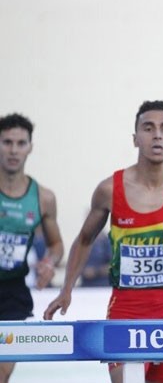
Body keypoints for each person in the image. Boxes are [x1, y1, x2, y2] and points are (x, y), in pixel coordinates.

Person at [44, 100, 163, 383]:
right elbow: (84, 239)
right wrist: (66, 290)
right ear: (135, 138)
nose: (157, 135)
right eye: (148, 128)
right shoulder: (109, 189)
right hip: (125, 312)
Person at [0, 113, 64, 383]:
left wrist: (50, 262)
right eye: (7, 142)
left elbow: (56, 244)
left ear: (30, 147)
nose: (14, 150)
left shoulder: (43, 198)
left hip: (12, 293)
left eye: (20, 143)